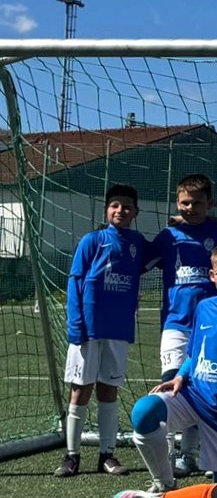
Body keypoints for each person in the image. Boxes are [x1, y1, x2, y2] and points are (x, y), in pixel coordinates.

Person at [128, 242, 217, 491]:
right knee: (144, 411)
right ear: (212, 275)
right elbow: (194, 354)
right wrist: (180, 376)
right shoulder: (203, 308)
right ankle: (164, 484)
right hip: (193, 396)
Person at [146, 173, 217, 476]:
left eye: (197, 203)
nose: (190, 208)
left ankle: (189, 454)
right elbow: (140, 262)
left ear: (209, 204)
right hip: (176, 323)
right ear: (177, 202)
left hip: (213, 325)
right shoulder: (168, 236)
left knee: (204, 387)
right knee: (171, 386)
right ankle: (169, 453)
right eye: (185, 203)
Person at [55, 184, 149, 477]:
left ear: (136, 212)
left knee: (109, 390)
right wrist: (76, 325)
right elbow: (75, 282)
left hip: (118, 330)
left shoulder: (138, 243)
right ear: (107, 209)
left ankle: (106, 454)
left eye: (127, 206)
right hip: (88, 329)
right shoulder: (92, 241)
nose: (120, 210)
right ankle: (72, 455)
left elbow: (163, 252)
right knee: (80, 390)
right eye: (115, 205)